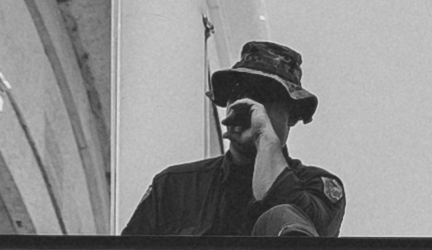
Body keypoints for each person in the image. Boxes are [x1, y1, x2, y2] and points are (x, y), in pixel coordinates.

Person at [122, 40, 348, 239]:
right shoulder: (174, 187)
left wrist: (264, 139)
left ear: (293, 115)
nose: (247, 106)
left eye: (264, 96)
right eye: (238, 93)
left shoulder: (317, 186)